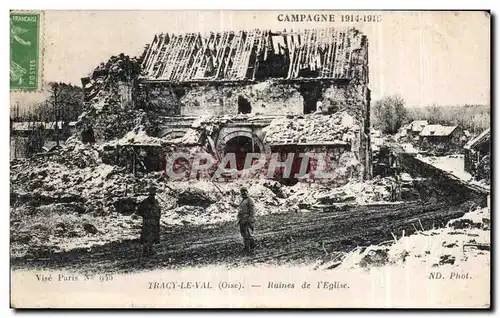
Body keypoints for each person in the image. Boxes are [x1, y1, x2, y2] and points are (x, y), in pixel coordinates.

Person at [136, 186, 161, 257]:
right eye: (152, 193)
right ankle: (145, 251)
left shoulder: (156, 202)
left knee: (153, 236)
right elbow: (139, 211)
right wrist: (146, 216)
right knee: (146, 237)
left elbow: (158, 210)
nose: (153, 194)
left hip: (154, 222)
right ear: (149, 193)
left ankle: (151, 250)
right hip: (147, 222)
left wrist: (157, 218)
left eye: (154, 193)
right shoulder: (145, 202)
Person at [237, 187, 256, 254]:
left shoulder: (249, 200)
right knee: (244, 235)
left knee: (249, 234)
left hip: (247, 220)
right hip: (242, 220)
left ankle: (252, 248)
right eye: (242, 192)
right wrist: (239, 220)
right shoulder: (242, 201)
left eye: (245, 192)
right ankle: (246, 247)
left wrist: (250, 219)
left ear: (247, 192)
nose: (243, 194)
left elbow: (252, 210)